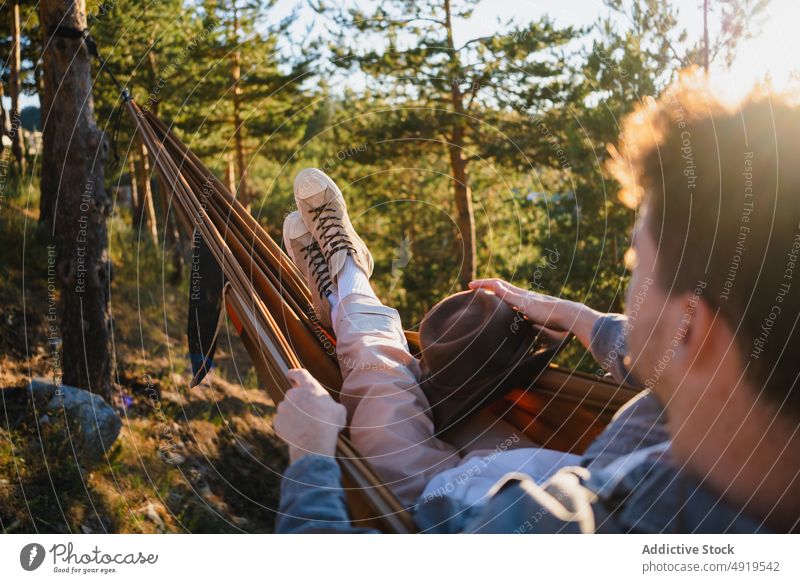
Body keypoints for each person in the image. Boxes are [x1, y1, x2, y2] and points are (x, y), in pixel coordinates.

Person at [273, 76, 800, 533]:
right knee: (447, 392)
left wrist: (312, 453)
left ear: (692, 332)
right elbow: (658, 354)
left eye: (634, 258)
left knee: (383, 378)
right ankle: (344, 297)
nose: (629, 277)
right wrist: (575, 315)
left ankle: (348, 281)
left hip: (444, 501)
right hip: (529, 464)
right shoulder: (735, 404)